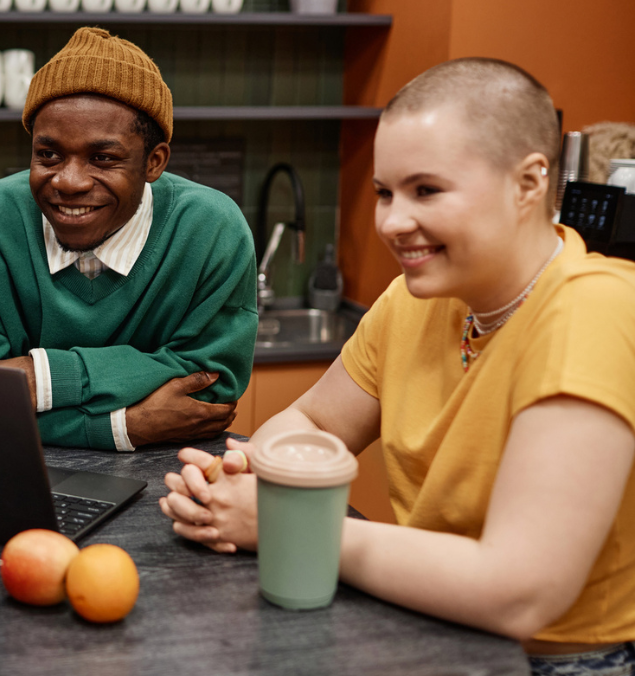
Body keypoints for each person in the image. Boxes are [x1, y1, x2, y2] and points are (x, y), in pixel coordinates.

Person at [159, 58, 635, 674]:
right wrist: (242, 470)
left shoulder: (595, 307)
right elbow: (316, 422)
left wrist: (282, 524)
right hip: (426, 622)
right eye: (385, 191)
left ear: (529, 182)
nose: (391, 221)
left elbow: (519, 591)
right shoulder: (417, 300)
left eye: (426, 190)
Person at [0, 27, 258, 451]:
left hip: (170, 483)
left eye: (102, 158)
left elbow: (207, 392)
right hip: (3, 468)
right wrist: (121, 426)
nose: (68, 181)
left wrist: (40, 377)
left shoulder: (212, 231)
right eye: (48, 155)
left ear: (153, 162)